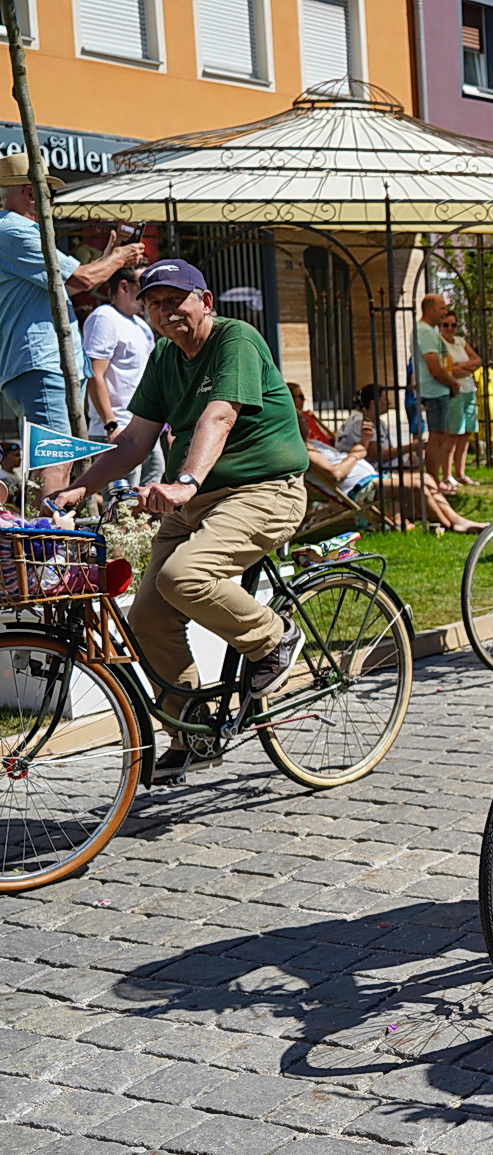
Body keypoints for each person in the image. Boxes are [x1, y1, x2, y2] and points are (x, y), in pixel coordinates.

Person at [45, 260, 309, 781]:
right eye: (155, 304)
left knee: (183, 576)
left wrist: (183, 482)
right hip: (196, 501)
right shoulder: (165, 356)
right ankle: (193, 732)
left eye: (176, 300)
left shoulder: (237, 339)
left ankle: (272, 639)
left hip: (264, 491)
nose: (167, 312)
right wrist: (81, 487)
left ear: (205, 302)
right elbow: (136, 440)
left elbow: (220, 414)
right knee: (145, 616)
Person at [0, 152, 147, 496]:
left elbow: (64, 283)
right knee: (54, 459)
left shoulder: (16, 231)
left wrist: (109, 257)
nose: (50, 200)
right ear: (30, 192)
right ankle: (46, 543)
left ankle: (45, 537)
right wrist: (119, 259)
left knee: (58, 459)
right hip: (40, 361)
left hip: (42, 363)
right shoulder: (15, 230)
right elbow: (81, 279)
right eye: (46, 191)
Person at [290, 380, 486, 533]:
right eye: (302, 420)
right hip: (360, 489)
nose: (307, 422)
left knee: (425, 478)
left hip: (371, 479)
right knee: (418, 485)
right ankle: (451, 525)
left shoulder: (314, 445)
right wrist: (357, 453)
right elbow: (336, 474)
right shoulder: (306, 452)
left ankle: (455, 520)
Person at [83, 266, 166, 488]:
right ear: (124, 287)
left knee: (149, 496)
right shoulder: (104, 318)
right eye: (144, 286)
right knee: (120, 505)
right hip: (116, 429)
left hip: (144, 428)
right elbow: (94, 375)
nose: (150, 293)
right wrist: (111, 425)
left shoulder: (142, 326)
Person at [413, 294, 464, 493]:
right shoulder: (425, 332)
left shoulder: (427, 331)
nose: (444, 312)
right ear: (430, 309)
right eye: (442, 308)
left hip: (438, 390)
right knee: (436, 438)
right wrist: (452, 383)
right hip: (434, 391)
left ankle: (434, 482)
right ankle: (432, 483)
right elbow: (434, 367)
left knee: (442, 436)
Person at [436, 313, 482, 486]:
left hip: (469, 390)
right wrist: (466, 368)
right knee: (453, 434)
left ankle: (460, 473)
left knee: (466, 433)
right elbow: (447, 371)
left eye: (453, 325)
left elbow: (478, 360)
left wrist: (460, 367)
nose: (449, 329)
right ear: (440, 326)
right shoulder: (439, 344)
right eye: (445, 325)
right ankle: (447, 475)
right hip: (453, 391)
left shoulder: (461, 342)